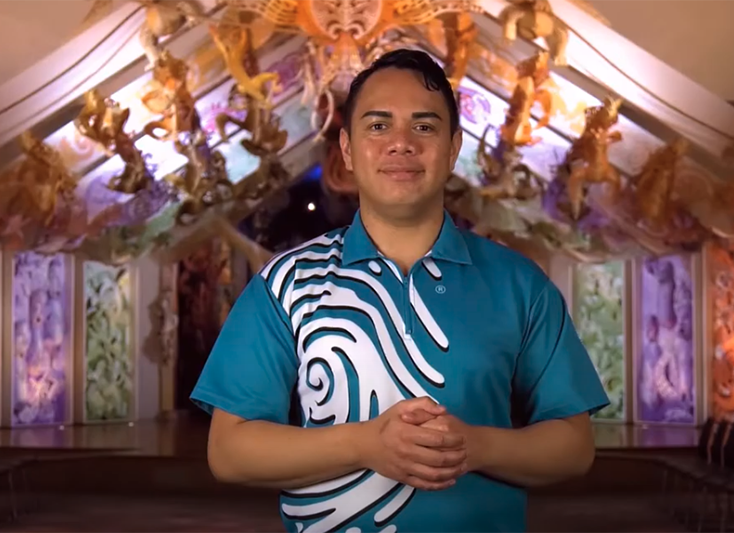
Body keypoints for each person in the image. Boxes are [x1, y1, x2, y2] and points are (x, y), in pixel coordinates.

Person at [191, 49, 610, 533]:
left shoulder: (521, 283)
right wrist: (365, 445)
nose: (401, 144)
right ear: (346, 150)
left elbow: (574, 446)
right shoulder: (285, 283)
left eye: (425, 127)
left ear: (454, 148)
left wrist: (475, 446)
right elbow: (228, 451)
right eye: (378, 125)